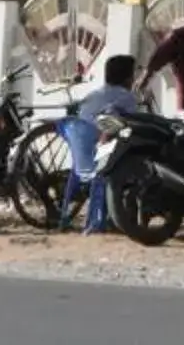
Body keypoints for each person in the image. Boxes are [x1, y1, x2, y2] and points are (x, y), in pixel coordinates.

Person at [61, 53, 140, 233]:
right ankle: (122, 216)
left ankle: (65, 217)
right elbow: (122, 125)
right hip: (102, 160)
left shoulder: (93, 95)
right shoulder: (126, 98)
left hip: (82, 160)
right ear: (129, 77)